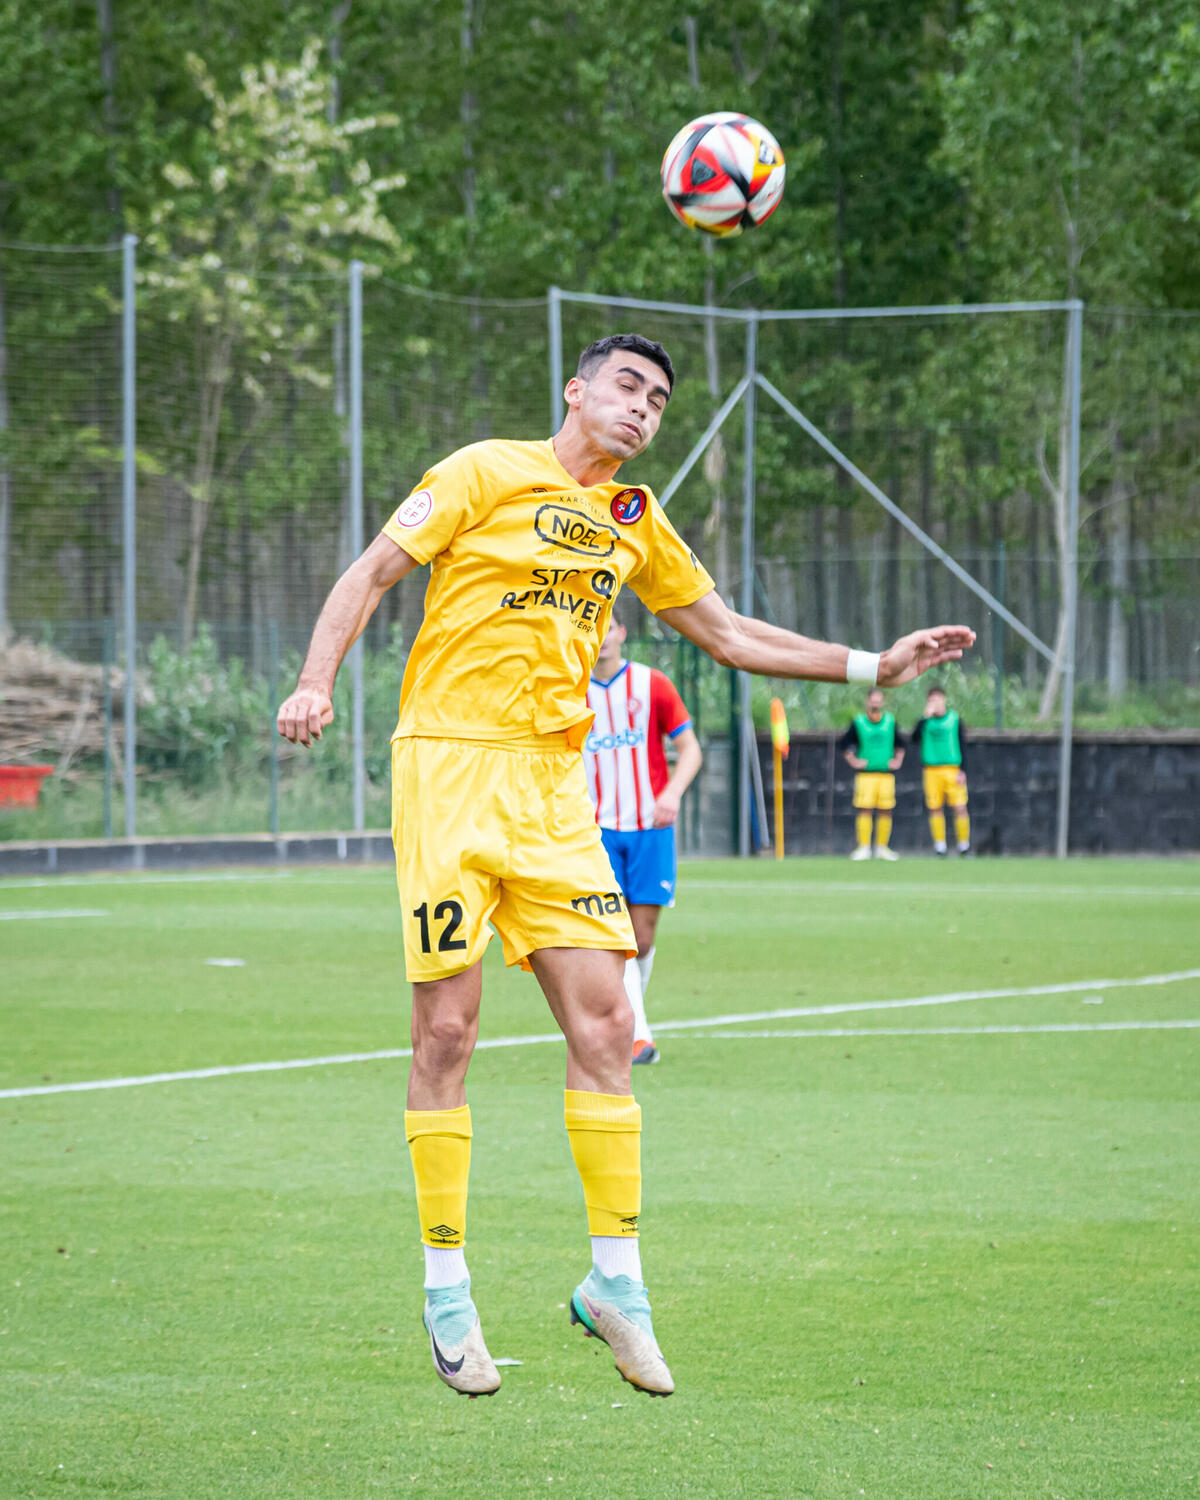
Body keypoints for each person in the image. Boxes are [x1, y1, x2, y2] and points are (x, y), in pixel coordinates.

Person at [276, 331, 975, 1401]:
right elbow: (370, 573)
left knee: (607, 1026)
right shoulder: (483, 470)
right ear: (576, 390)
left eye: (658, 400)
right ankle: (447, 1289)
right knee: (447, 1031)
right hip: (450, 769)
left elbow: (727, 634)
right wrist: (315, 680)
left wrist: (871, 664)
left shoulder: (634, 518)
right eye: (627, 385)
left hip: (554, 792)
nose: (643, 407)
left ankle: (615, 1285)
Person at [584, 611, 703, 1065]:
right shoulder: (568, 690)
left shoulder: (652, 684)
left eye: (609, 627)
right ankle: (637, 1034)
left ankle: (630, 1017)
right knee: (617, 936)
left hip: (650, 828)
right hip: (596, 832)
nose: (601, 637)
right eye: (593, 627)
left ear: (621, 632)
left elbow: (690, 749)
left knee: (643, 936)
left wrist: (672, 793)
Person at [839, 687, 904, 861]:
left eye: (878, 699)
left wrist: (897, 760)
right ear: (868, 701)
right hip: (866, 775)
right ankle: (864, 847)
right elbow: (844, 745)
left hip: (885, 774)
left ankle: (882, 847)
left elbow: (900, 745)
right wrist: (853, 761)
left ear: (882, 701)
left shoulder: (890, 721)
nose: (876, 703)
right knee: (865, 809)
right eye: (873, 699)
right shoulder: (859, 722)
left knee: (886, 810)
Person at [912, 684, 970, 855]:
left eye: (937, 699)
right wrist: (924, 717)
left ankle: (964, 845)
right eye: (931, 700)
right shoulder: (925, 722)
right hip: (931, 770)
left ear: (943, 700)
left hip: (952, 769)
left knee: (960, 806)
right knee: (935, 807)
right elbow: (914, 739)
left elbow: (963, 745)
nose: (935, 703)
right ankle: (940, 845)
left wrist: (963, 770)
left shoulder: (954, 719)